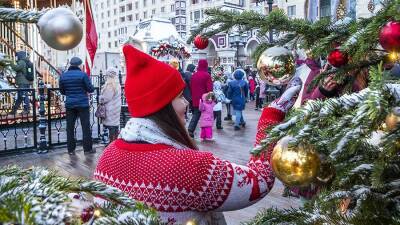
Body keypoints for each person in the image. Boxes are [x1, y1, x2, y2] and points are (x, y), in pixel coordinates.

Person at [94, 45, 305, 225]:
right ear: (162, 107)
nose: (186, 103)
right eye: (178, 97)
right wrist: (271, 117)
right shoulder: (186, 167)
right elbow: (257, 183)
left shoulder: (107, 155)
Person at [59, 57, 95, 155]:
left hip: (70, 104)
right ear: (79, 65)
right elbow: (90, 89)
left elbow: (62, 91)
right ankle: (87, 149)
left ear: (70, 64)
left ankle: (71, 150)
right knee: (85, 127)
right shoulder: (83, 75)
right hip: (83, 104)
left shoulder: (63, 76)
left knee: (70, 127)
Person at [188, 59, 213, 138]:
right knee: (206, 116)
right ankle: (205, 133)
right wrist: (211, 99)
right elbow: (210, 89)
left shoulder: (194, 75)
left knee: (196, 114)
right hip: (204, 99)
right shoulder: (207, 75)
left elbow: (191, 86)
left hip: (195, 98)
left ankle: (190, 129)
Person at [99, 67, 121, 144]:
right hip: (116, 108)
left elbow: (105, 98)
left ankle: (111, 145)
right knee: (115, 127)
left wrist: (100, 97)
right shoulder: (117, 84)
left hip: (110, 109)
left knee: (110, 127)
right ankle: (115, 143)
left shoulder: (110, 85)